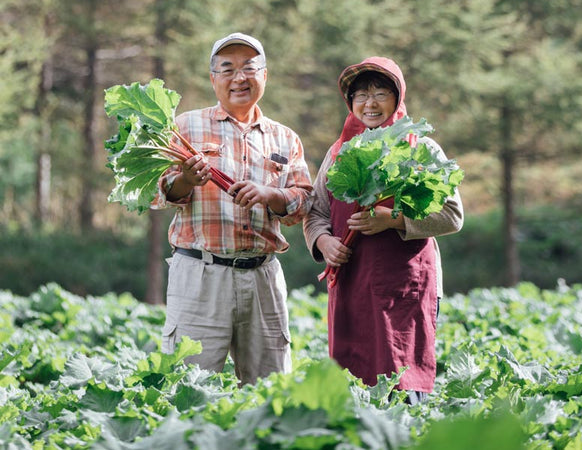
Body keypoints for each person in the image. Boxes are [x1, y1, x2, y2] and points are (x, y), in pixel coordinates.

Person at [151, 32, 313, 385]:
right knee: (186, 389)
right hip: (200, 273)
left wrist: (271, 195)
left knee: (270, 392)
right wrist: (187, 181)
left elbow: (303, 201)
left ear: (265, 76)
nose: (239, 78)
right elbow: (158, 190)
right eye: (228, 69)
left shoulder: (284, 138)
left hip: (263, 276)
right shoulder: (184, 127)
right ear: (213, 79)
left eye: (249, 68)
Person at [303, 57, 463, 404]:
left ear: (397, 98)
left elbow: (452, 214)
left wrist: (393, 219)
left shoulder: (420, 149)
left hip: (404, 284)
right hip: (351, 283)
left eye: (380, 93)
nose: (369, 103)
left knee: (403, 377)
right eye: (360, 95)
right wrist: (324, 241)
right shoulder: (338, 152)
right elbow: (316, 211)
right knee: (351, 381)